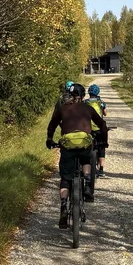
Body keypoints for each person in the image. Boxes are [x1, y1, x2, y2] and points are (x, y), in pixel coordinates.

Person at [46, 82, 108, 227]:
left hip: (67, 145)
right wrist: (104, 142)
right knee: (86, 160)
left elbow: (52, 125)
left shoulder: (62, 109)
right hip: (84, 144)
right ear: (83, 95)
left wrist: (50, 139)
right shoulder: (88, 108)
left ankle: (62, 206)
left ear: (70, 95)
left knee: (65, 178)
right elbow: (102, 125)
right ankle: (87, 183)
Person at [87, 84, 108, 174]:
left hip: (87, 127)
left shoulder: (85, 102)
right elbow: (105, 113)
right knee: (102, 146)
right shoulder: (101, 102)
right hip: (99, 128)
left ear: (89, 92)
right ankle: (101, 169)